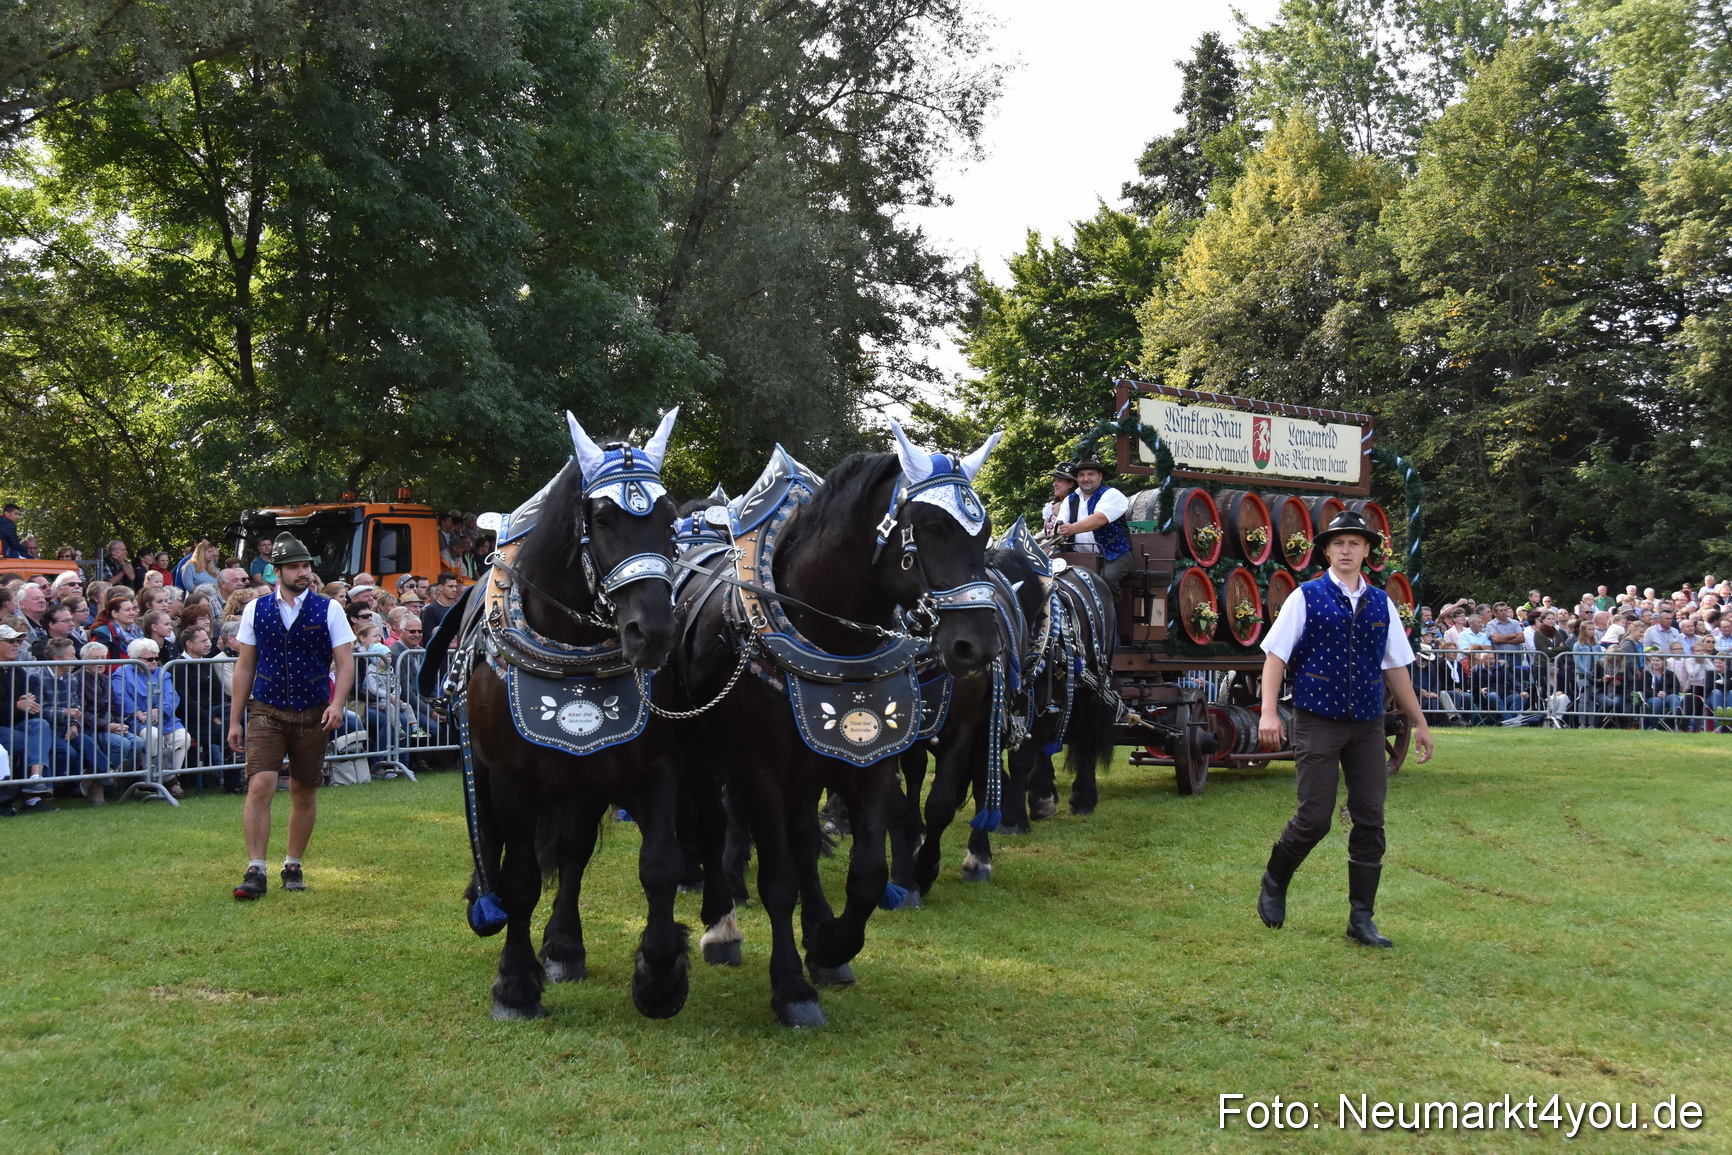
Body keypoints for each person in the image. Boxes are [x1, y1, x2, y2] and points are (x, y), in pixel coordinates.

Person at [1254, 510, 1434, 948]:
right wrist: (1268, 713)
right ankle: (1275, 878)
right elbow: (1275, 657)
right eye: (1339, 544)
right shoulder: (1306, 597)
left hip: (1368, 724)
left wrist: (1420, 722)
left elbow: (1395, 669)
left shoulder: (1381, 603)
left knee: (1370, 818)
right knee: (1315, 817)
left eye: (1355, 543)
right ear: (1327, 551)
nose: (1347, 550)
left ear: (1367, 550)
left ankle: (1361, 919)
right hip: (1317, 719)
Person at [227, 532, 355, 900]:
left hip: (315, 710)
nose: (304, 572)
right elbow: (244, 666)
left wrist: (338, 703)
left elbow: (344, 663)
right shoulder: (255, 609)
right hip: (266, 708)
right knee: (260, 784)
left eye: (306, 566)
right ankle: (256, 869)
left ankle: (293, 863)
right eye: (295, 566)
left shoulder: (329, 608)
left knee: (303, 788)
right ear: (276, 571)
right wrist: (236, 719)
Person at [1050, 456, 1132, 602]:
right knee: (1055, 576)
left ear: (1100, 476)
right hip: (1079, 555)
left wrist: (1072, 528)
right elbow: (1061, 525)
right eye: (1081, 475)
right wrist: (1058, 535)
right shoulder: (1070, 499)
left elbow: (1099, 519)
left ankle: (1112, 617)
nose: (1085, 478)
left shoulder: (1112, 495)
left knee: (1107, 578)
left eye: (1090, 474)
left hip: (1113, 553)